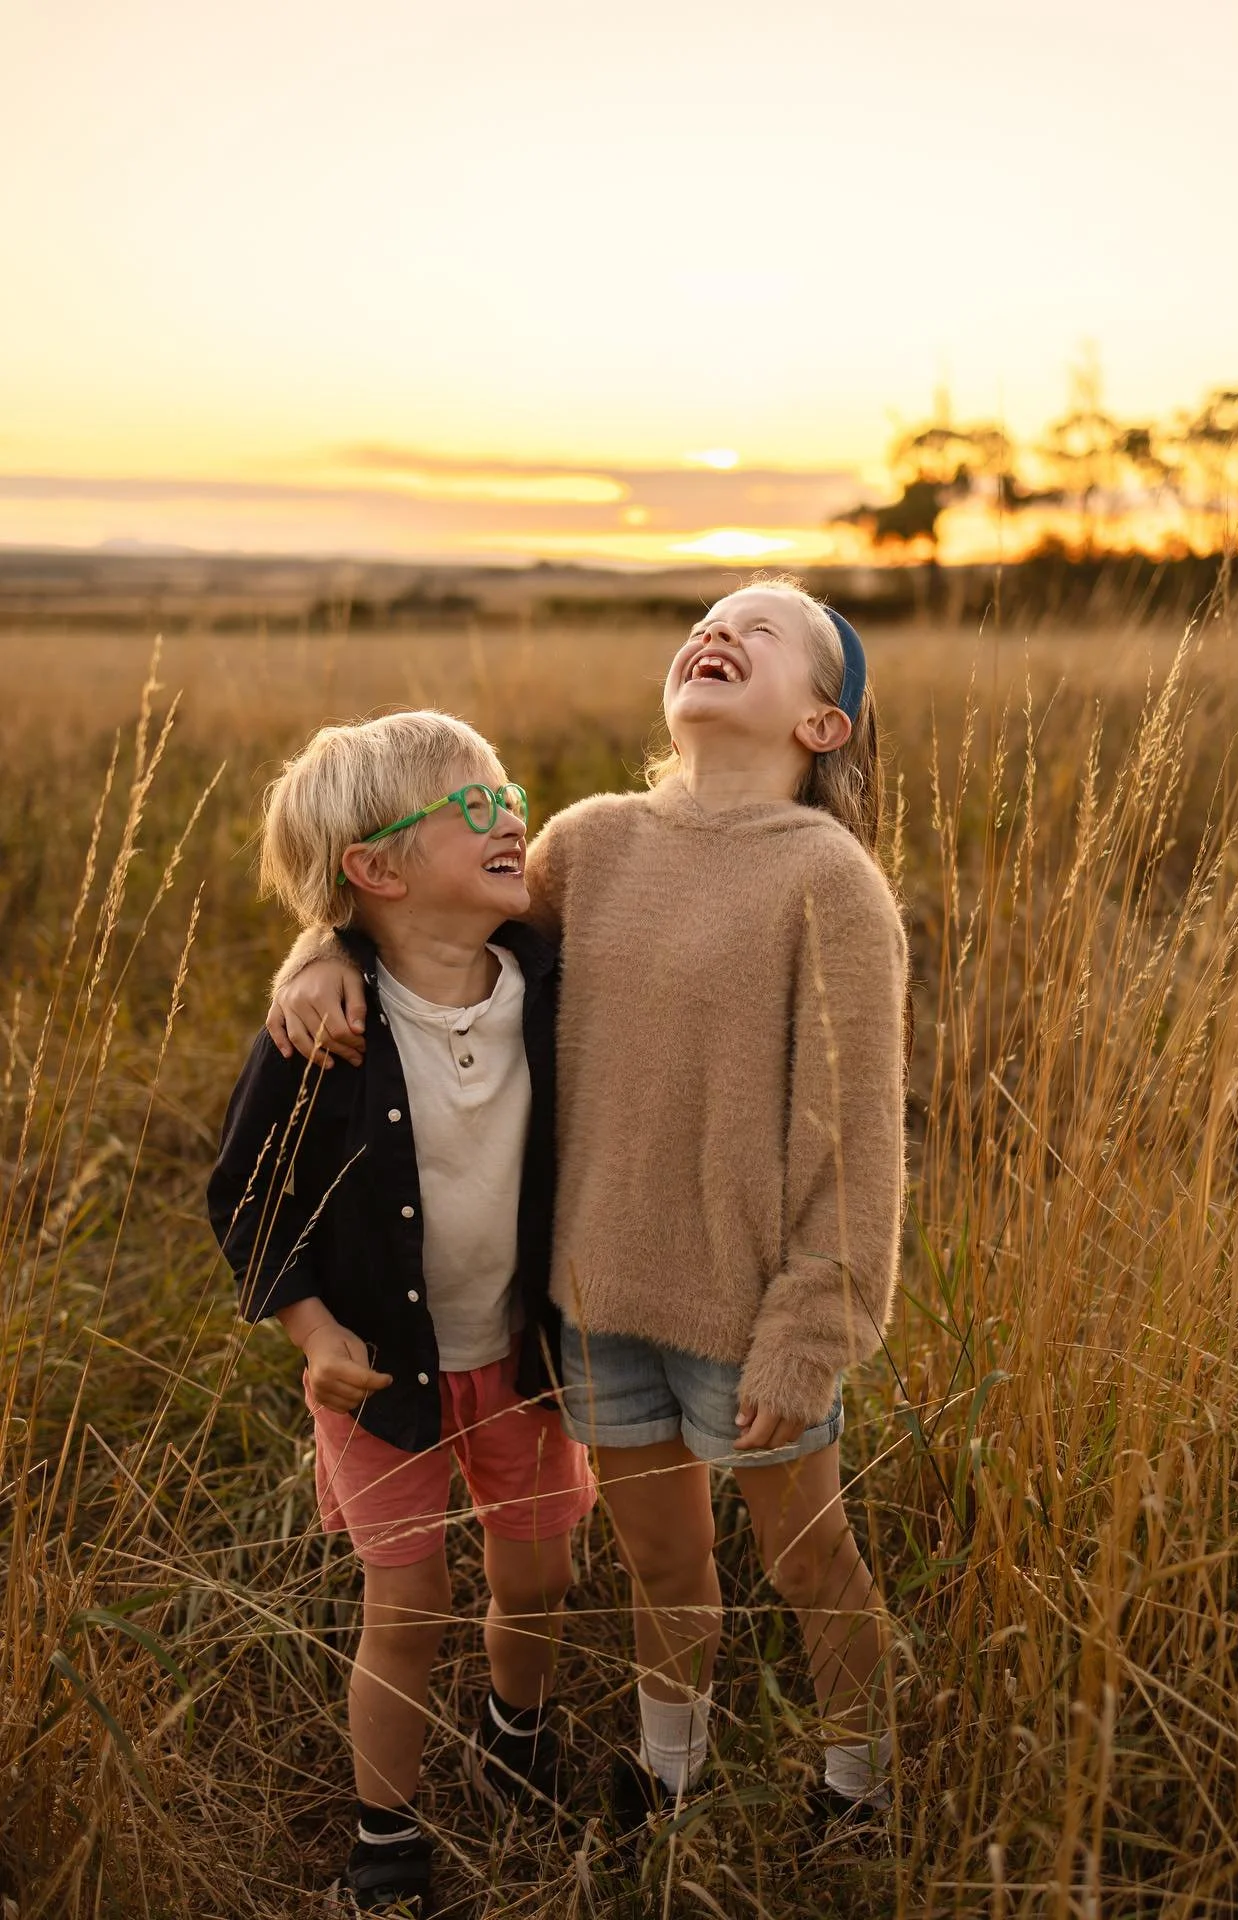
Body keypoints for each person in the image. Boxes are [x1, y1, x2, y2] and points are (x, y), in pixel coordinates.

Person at [268, 581, 908, 1838]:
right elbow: (434, 937)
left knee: (809, 1561)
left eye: (764, 630)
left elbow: (857, 1134)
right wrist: (322, 948)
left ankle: (860, 1789)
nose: (719, 632)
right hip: (592, 1301)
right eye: (710, 618)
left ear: (822, 725)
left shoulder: (829, 881)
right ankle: (672, 1776)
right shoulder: (589, 845)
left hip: (754, 1313)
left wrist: (815, 1324)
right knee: (664, 1562)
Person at [209, 710, 596, 1917]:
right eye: (474, 805)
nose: (512, 817)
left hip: (524, 1359)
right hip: (383, 1375)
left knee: (539, 1575)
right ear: (374, 870)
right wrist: (314, 1334)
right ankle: (386, 1829)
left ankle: (514, 1733)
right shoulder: (322, 1030)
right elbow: (248, 1198)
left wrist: (318, 940)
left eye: (509, 792)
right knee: (408, 1605)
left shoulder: (549, 979)